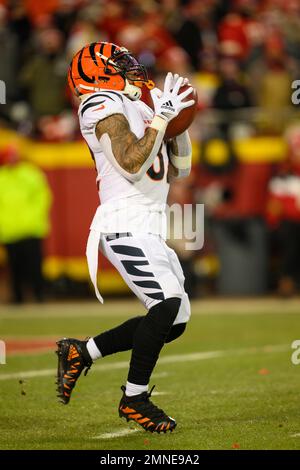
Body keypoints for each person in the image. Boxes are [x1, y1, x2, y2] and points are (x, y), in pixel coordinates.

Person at [56, 41, 194, 434]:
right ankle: (134, 398)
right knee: (165, 303)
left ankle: (82, 351)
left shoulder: (141, 105)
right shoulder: (99, 103)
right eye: (121, 64)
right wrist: (161, 120)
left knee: (175, 320)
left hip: (150, 226)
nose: (132, 68)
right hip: (124, 222)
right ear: (96, 73)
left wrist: (179, 122)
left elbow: (178, 170)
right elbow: (132, 164)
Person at [0, 145, 52, 303]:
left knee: (35, 266)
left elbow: (43, 197)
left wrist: (34, 217)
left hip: (31, 228)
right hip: (10, 230)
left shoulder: (31, 174)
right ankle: (17, 298)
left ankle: (39, 295)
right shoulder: (2, 177)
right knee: (15, 268)